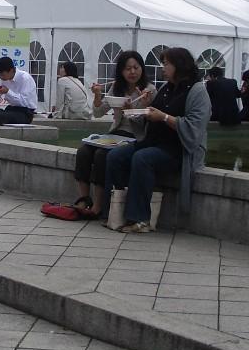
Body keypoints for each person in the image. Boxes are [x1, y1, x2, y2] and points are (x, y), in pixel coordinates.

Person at [104, 47, 211, 233]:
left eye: (166, 64)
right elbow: (152, 116)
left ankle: (140, 219)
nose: (163, 68)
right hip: (154, 142)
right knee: (115, 156)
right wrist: (143, 108)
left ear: (179, 65)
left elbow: (194, 128)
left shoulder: (197, 91)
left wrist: (164, 117)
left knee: (143, 158)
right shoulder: (166, 88)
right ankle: (115, 211)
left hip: (177, 149)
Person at [72, 51, 151, 216]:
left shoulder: (148, 90)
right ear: (121, 71)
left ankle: (98, 206)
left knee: (101, 155)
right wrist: (97, 96)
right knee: (84, 151)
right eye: (127, 68)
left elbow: (147, 122)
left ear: (142, 69)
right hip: (116, 133)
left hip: (136, 136)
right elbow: (98, 112)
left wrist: (132, 111)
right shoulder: (117, 87)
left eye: (136, 67)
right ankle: (84, 198)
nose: (132, 72)